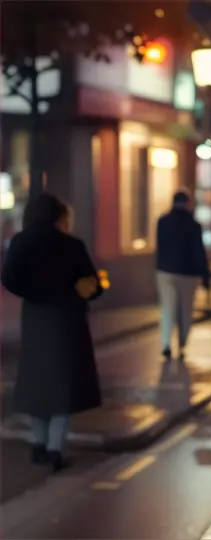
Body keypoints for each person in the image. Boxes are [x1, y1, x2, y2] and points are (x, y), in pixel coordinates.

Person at [1, 193, 104, 471]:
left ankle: (39, 443)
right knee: (63, 386)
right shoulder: (71, 245)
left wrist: (33, 293)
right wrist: (77, 292)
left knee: (37, 384)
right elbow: (92, 283)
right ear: (58, 216)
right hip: (66, 318)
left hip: (35, 318)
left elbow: (8, 278)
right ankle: (55, 447)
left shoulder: (20, 242)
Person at [155, 188, 210, 359]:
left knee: (167, 308)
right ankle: (182, 345)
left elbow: (159, 247)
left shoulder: (162, 221)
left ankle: (165, 343)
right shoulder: (194, 225)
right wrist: (206, 277)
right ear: (188, 203)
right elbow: (199, 252)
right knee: (186, 310)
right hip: (188, 273)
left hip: (165, 271)